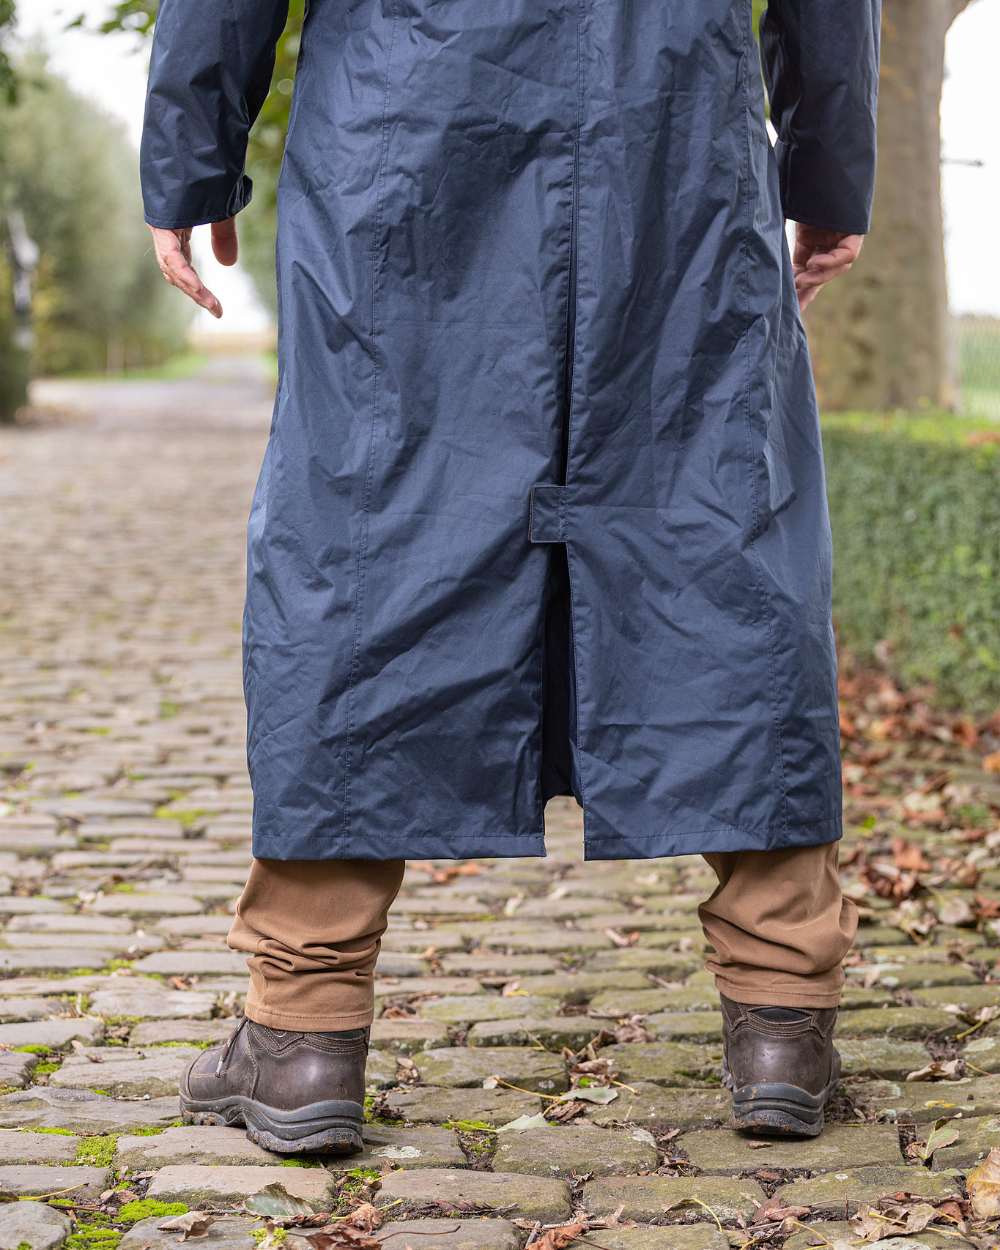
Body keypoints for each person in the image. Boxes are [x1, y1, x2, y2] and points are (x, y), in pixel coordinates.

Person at [140, 0, 880, 1151]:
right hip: (674, 127)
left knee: (368, 540)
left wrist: (193, 163)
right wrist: (828, 169)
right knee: (716, 532)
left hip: (404, 124)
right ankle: (784, 1013)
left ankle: (302, 1030)